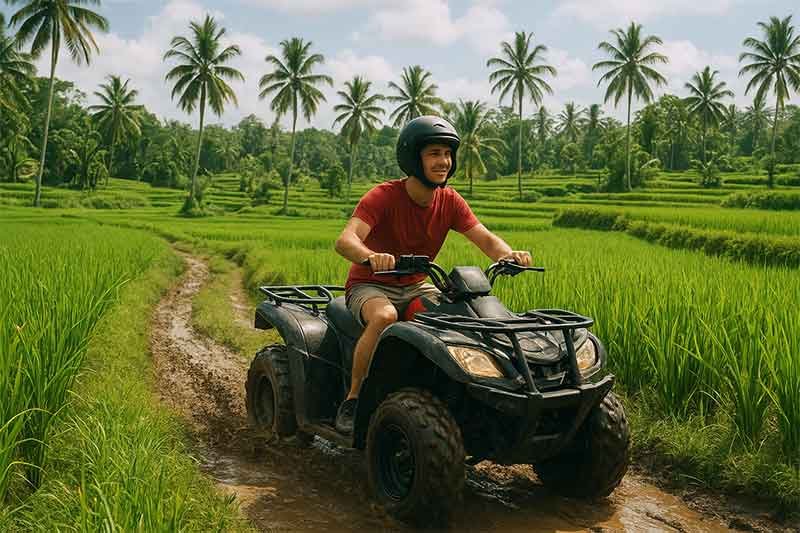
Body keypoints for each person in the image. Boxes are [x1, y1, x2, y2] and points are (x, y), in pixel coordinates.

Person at [333, 115, 531, 434]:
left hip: (416, 286)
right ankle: (354, 398)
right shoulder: (383, 196)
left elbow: (485, 238)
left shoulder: (449, 200)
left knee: (454, 317)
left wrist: (509, 255)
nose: (443, 161)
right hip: (369, 286)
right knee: (384, 317)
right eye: (434, 153)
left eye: (447, 154)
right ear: (414, 157)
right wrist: (371, 257)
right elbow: (346, 240)